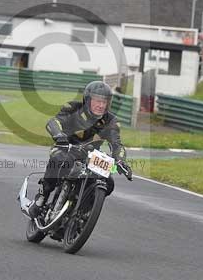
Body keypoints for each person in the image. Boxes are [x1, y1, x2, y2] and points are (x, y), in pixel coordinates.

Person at [28, 81, 131, 218]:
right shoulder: (72, 107)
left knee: (108, 181)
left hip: (90, 157)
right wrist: (59, 135)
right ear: (87, 100)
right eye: (97, 101)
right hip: (66, 148)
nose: (101, 105)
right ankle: (42, 196)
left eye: (104, 102)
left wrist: (120, 160)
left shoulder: (111, 121)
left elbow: (117, 144)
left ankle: (85, 210)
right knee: (58, 160)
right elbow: (54, 122)